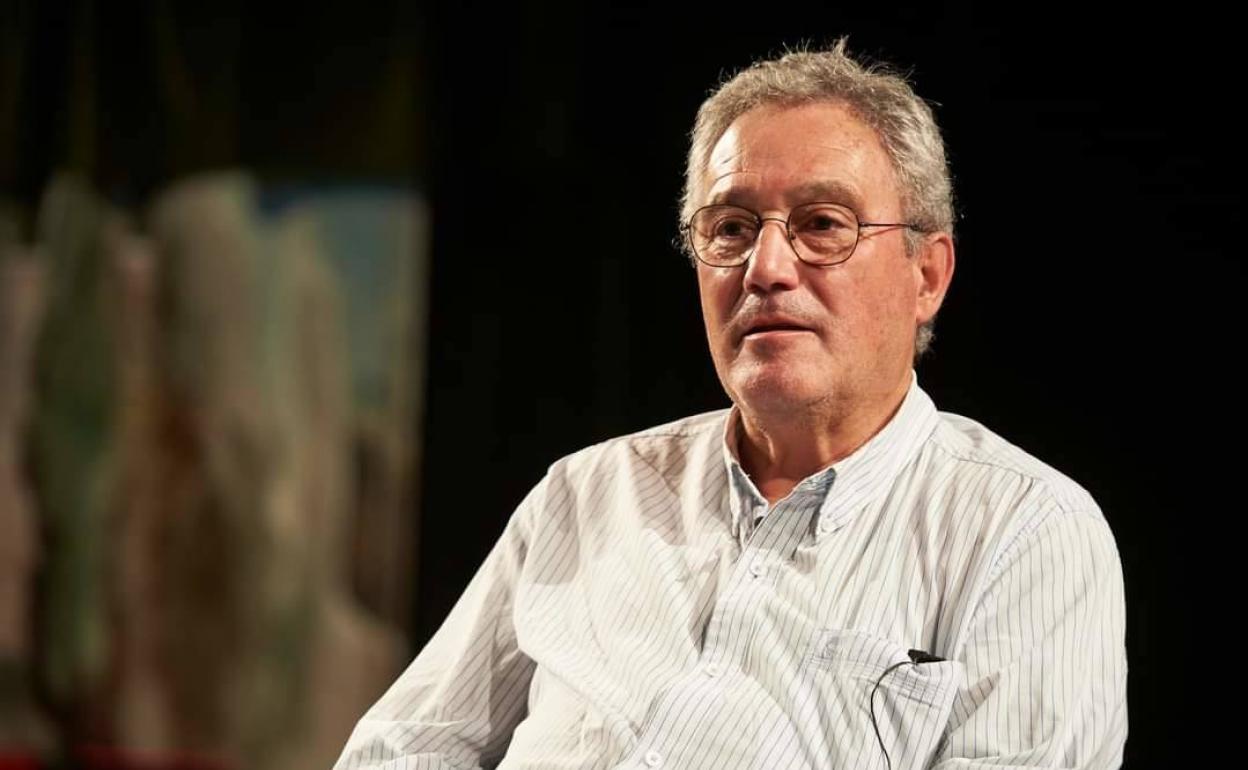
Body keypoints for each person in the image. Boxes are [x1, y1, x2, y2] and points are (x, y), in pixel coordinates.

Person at [334, 40, 1127, 770]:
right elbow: (398, 752)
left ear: (928, 275)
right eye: (731, 227)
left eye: (823, 224)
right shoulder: (586, 495)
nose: (766, 266)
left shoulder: (1022, 530)